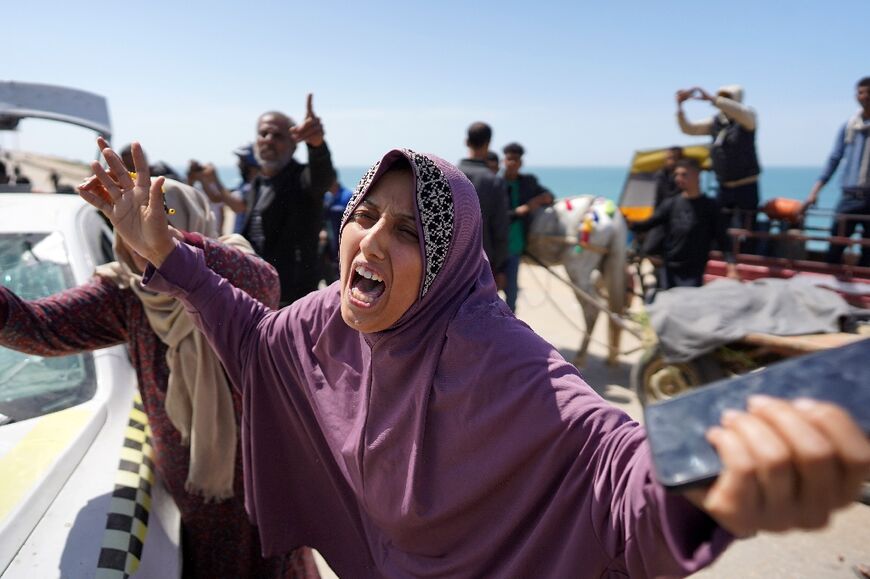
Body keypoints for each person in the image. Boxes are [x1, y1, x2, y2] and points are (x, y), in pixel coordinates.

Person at [81, 141, 870, 578]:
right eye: (367, 216)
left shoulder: (490, 350)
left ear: (452, 260)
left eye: (410, 234)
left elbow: (607, 457)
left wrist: (712, 453)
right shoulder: (330, 318)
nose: (373, 242)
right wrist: (168, 258)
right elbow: (254, 338)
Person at [0, 153, 318, 578]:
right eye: (135, 225)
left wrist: (168, 247)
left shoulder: (232, 268)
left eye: (162, 217)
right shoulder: (127, 295)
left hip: (266, 478)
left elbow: (266, 286)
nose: (142, 238)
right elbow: (38, 328)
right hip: (197, 492)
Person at [240, 95, 335, 307]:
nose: (268, 139)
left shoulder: (301, 179)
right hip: (257, 292)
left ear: (294, 144)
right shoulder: (257, 184)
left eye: (278, 135)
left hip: (292, 299)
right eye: (263, 133)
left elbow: (321, 178)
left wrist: (317, 146)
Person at [629, 159, 739, 290]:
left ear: (697, 175)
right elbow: (648, 224)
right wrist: (628, 223)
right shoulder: (670, 204)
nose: (678, 178)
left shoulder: (710, 207)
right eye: (676, 174)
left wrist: (731, 268)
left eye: (684, 174)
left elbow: (723, 240)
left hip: (694, 271)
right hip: (669, 269)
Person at [676, 85, 761, 237]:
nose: (723, 102)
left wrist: (712, 99)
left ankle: (747, 255)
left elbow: (740, 112)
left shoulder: (748, 118)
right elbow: (689, 129)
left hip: (746, 186)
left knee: (748, 229)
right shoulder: (716, 122)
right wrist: (680, 107)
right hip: (724, 186)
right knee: (720, 226)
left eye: (727, 98)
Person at [804, 76, 870, 267]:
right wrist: (814, 192)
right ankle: (829, 285)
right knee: (836, 242)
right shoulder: (850, 126)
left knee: (868, 251)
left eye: (868, 93)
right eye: (860, 92)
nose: (864, 97)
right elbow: (834, 159)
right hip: (849, 195)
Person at [501, 141, 554, 311]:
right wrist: (523, 210)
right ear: (504, 160)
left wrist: (538, 201)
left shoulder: (528, 182)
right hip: (494, 247)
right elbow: (496, 217)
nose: (512, 163)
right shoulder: (495, 183)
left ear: (521, 162)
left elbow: (549, 196)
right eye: (509, 159)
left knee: (512, 293)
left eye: (515, 159)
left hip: (515, 247)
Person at [458, 122, 510, 281]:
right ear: (488, 144)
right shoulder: (494, 182)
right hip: (482, 267)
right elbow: (500, 231)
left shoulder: (446, 176)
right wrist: (500, 267)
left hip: (449, 267)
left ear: (466, 142)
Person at [640, 146, 684, 257]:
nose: (671, 161)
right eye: (669, 158)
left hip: (679, 220)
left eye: (674, 158)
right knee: (648, 249)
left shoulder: (683, 177)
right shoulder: (660, 175)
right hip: (661, 218)